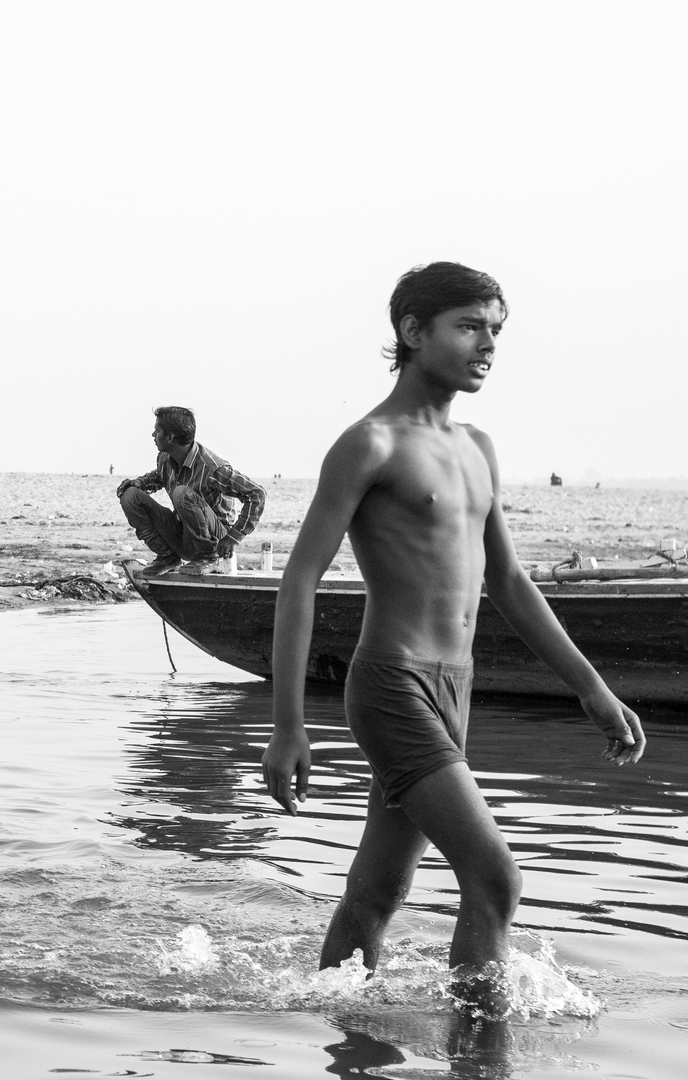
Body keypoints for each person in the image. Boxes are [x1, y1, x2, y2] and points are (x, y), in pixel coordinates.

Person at [260, 262, 645, 1012]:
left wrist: (590, 688)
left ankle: (340, 1034)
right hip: (392, 683)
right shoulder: (368, 444)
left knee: (377, 893)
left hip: (453, 689)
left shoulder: (477, 447)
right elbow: (299, 578)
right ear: (411, 332)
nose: (487, 344)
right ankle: (480, 1054)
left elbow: (508, 583)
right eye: (468, 326)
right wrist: (286, 727)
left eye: (494, 329)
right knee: (495, 875)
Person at [117, 406, 265, 576]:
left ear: (171, 437)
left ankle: (208, 558)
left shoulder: (212, 468)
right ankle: (167, 556)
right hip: (184, 535)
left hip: (215, 542)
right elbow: (159, 477)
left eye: (157, 431)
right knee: (130, 496)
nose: (153, 435)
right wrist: (138, 483)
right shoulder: (165, 458)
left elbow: (257, 494)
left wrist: (234, 537)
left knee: (181, 493)